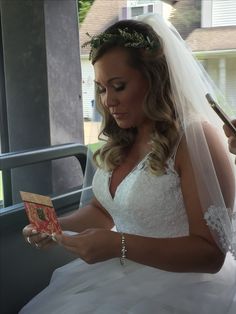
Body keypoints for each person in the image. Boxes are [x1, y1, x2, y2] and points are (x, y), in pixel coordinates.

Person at [20, 14, 236, 314]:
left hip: (183, 289)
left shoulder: (194, 139)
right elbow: (102, 211)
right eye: (101, 88)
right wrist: (56, 228)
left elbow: (211, 255)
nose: (107, 101)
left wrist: (117, 245)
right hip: (117, 276)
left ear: (155, 80)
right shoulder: (122, 139)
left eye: (118, 86)